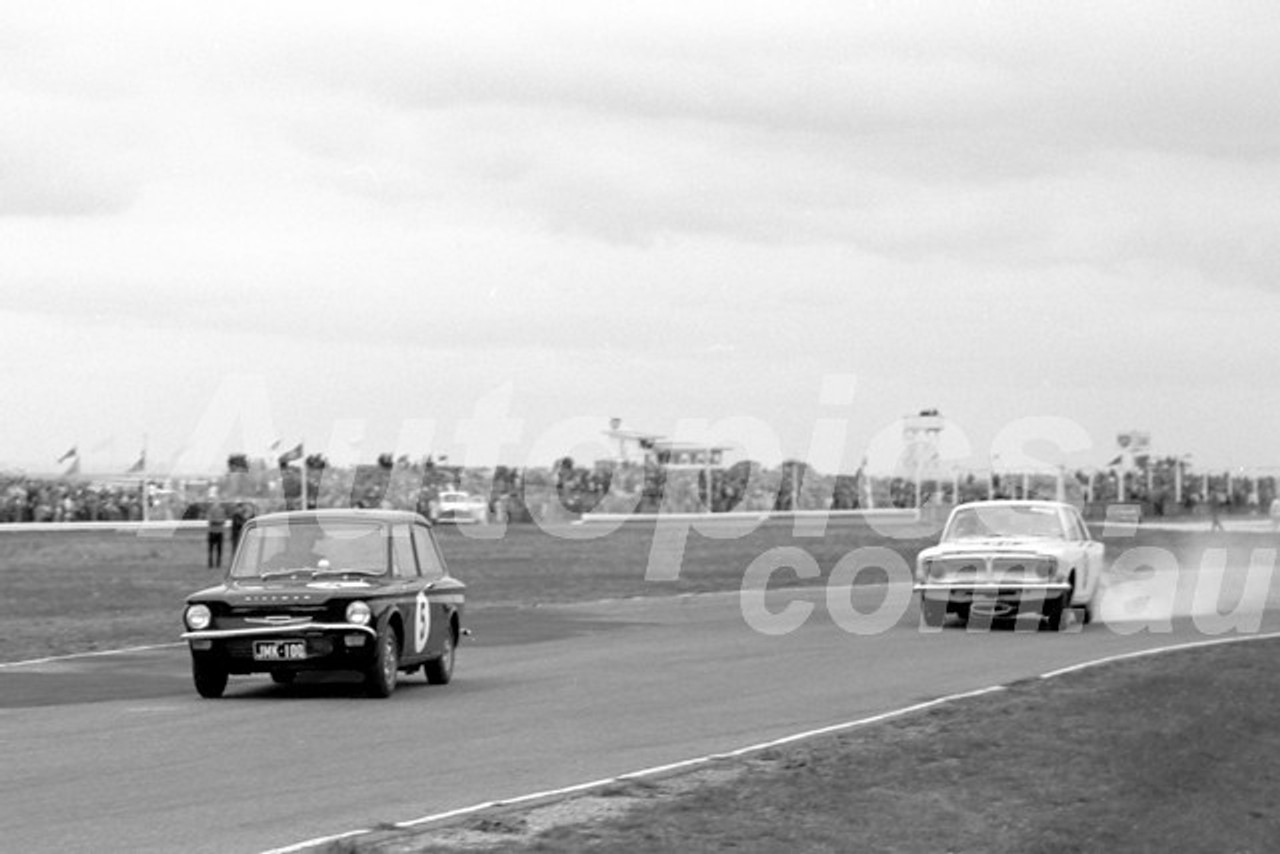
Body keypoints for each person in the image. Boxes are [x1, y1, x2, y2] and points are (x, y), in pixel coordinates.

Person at [207, 495, 227, 568]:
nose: (217, 503)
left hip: (220, 531)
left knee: (219, 549)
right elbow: (210, 520)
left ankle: (218, 563)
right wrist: (219, 521)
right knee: (211, 549)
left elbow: (224, 520)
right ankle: (210, 563)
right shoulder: (211, 510)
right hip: (212, 531)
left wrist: (217, 521)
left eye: (218, 501)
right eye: (215, 502)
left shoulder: (222, 510)